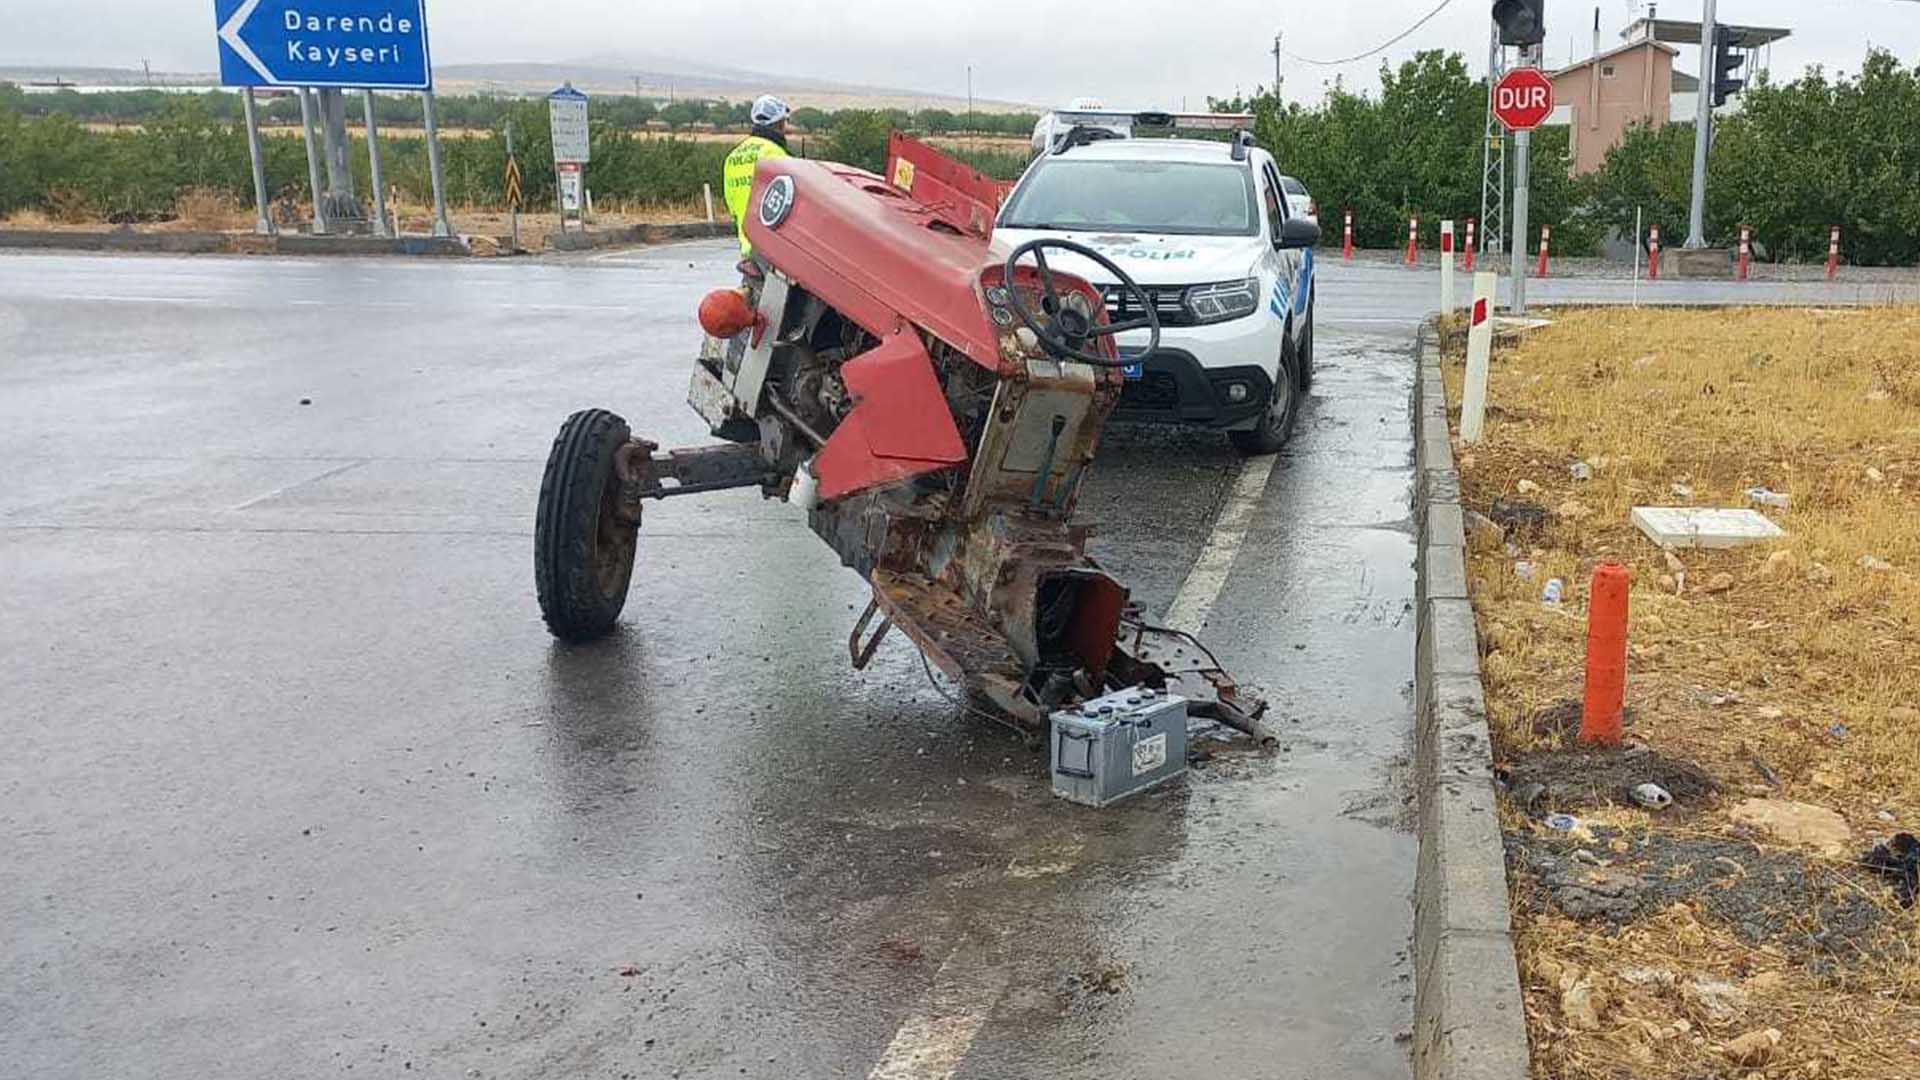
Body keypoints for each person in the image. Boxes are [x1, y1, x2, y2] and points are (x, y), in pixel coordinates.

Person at [723, 95, 793, 258]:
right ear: (780, 123)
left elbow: (732, 207)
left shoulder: (733, 157)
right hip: (775, 250)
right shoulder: (776, 154)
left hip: (748, 248)